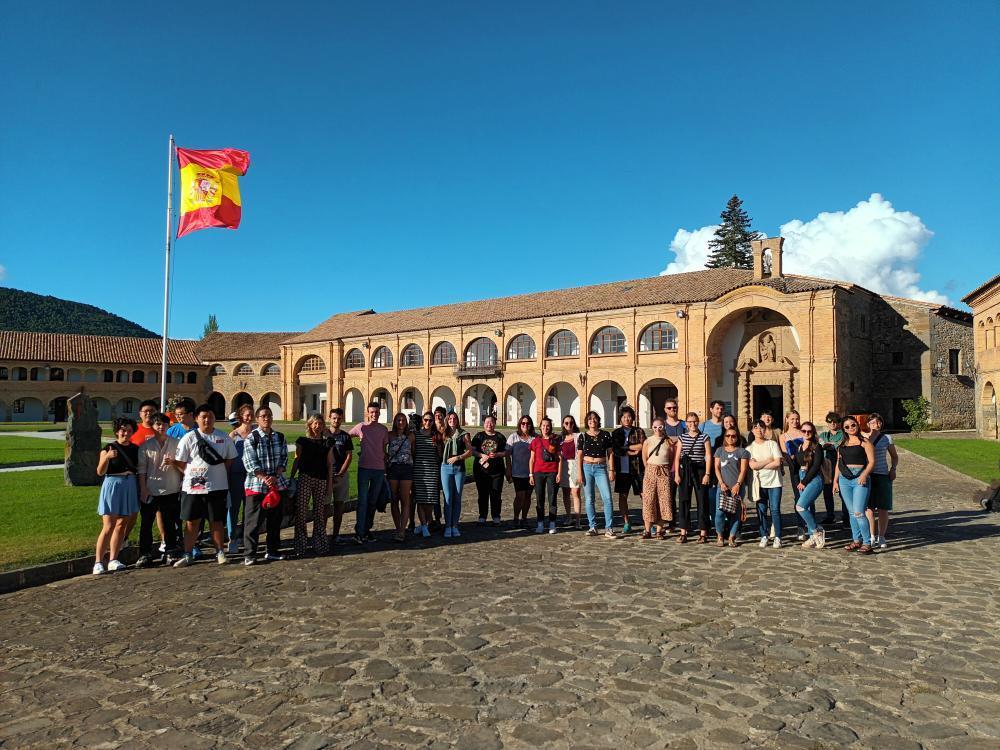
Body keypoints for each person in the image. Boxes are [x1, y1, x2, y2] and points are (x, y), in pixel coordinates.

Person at [173, 404, 237, 567]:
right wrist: (192, 473)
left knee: (216, 521)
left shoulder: (224, 437)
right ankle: (188, 553)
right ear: (196, 419)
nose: (207, 420)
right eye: (203, 417)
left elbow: (230, 460)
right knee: (192, 521)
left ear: (215, 418)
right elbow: (180, 462)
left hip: (217, 486)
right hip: (194, 487)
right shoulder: (189, 438)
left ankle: (220, 551)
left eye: (210, 416)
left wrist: (216, 473)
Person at [241, 406, 289, 564]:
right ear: (257, 419)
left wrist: (275, 476)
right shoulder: (251, 438)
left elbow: (283, 459)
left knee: (275, 521)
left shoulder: (280, 437)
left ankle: (273, 550)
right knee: (253, 522)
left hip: (276, 485)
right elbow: (249, 462)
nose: (266, 418)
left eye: (269, 415)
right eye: (263, 416)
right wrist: (264, 477)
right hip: (257, 486)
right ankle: (250, 553)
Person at [93, 418, 139, 574]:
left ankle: (113, 558)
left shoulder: (135, 449)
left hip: (129, 484)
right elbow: (100, 471)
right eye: (122, 430)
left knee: (122, 524)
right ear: (117, 431)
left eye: (129, 430)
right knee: (108, 524)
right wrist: (107, 457)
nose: (125, 433)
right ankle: (98, 561)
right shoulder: (108, 448)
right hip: (113, 484)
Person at [136, 412, 182, 567]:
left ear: (168, 426)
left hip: (171, 488)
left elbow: (185, 466)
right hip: (151, 489)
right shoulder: (146, 446)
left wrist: (174, 462)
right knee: (146, 523)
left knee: (170, 523)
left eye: (163, 424)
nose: (161, 427)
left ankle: (170, 551)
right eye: (157, 424)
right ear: (153, 427)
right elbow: (142, 470)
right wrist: (143, 489)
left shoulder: (176, 443)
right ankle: (145, 553)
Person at [290, 414, 334, 556]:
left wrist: (329, 484)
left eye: (320, 424)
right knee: (301, 512)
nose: (317, 426)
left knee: (319, 514)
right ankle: (300, 546)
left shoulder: (327, 443)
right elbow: (296, 460)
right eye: (315, 423)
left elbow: (329, 465)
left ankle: (319, 544)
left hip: (321, 480)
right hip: (305, 478)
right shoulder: (302, 441)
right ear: (310, 425)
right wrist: (291, 477)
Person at [834, 416, 876, 554]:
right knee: (852, 513)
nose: (851, 428)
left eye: (853, 425)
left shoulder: (865, 442)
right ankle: (856, 540)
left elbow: (871, 462)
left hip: (860, 479)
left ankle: (867, 542)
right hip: (844, 479)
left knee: (859, 512)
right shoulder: (842, 445)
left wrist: (864, 475)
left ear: (857, 425)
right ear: (844, 429)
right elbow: (838, 464)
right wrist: (835, 481)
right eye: (847, 426)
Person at [349, 403, 390, 543]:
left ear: (379, 413)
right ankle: (359, 532)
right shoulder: (361, 427)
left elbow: (384, 450)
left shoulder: (383, 430)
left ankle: (366, 530)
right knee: (362, 501)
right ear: (367, 413)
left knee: (372, 501)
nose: (374, 414)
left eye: (377, 412)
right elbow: (347, 437)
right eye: (372, 412)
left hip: (379, 469)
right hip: (364, 469)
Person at [576, 410, 617, 538]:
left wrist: (611, 470)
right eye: (590, 419)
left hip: (601, 468)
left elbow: (610, 453)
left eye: (594, 419)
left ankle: (609, 528)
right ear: (587, 422)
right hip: (587, 467)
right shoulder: (583, 436)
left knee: (607, 498)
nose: (592, 421)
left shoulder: (605, 435)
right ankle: (592, 526)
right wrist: (580, 473)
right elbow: (580, 455)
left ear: (598, 420)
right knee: (589, 499)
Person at [672, 412, 712, 543]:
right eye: (689, 422)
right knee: (684, 501)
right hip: (685, 471)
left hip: (700, 470)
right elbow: (677, 457)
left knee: (702, 500)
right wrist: (677, 474)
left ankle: (703, 532)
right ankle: (683, 531)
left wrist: (707, 474)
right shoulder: (682, 437)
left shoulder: (704, 437)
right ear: (686, 424)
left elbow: (708, 456)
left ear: (698, 422)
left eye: (695, 421)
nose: (692, 424)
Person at [864, 412, 898, 550]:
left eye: (878, 422)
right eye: (872, 422)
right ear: (868, 424)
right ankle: (872, 535)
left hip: (883, 474)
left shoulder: (886, 438)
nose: (875, 425)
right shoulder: (864, 438)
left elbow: (894, 456)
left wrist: (893, 469)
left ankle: (882, 536)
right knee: (869, 508)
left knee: (883, 508)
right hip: (868, 475)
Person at [747, 419, 783, 549]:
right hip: (759, 484)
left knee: (775, 509)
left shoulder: (772, 444)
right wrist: (768, 460)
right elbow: (752, 466)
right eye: (755, 427)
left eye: (761, 427)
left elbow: (778, 463)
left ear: (765, 429)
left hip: (774, 482)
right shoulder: (749, 448)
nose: (759, 430)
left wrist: (760, 464)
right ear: (752, 430)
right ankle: (763, 535)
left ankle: (778, 536)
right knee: (761, 510)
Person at [611, 406, 646, 534]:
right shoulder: (616, 433)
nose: (627, 419)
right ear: (620, 419)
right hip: (622, 470)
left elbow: (643, 446)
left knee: (644, 496)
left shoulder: (639, 431)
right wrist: (631, 451)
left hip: (638, 469)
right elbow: (616, 449)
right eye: (624, 417)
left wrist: (627, 447)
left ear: (633, 418)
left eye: (629, 417)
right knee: (623, 496)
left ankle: (648, 521)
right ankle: (626, 522)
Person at [793, 421, 827, 549]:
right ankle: (813, 535)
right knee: (806, 508)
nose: (806, 433)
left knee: (800, 507)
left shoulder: (816, 447)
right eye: (804, 431)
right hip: (802, 478)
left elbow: (816, 466)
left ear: (813, 433)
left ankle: (817, 530)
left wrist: (804, 482)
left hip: (814, 479)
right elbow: (796, 466)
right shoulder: (799, 447)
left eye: (809, 431)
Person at [226, 404, 254, 554]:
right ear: (241, 416)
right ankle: (232, 539)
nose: (249, 417)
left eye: (251, 414)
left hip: (252, 476)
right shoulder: (233, 435)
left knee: (249, 509)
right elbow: (228, 459)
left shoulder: (256, 432)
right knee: (233, 508)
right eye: (246, 415)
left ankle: (245, 536)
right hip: (236, 476)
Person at [713, 428, 749, 547]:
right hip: (722, 487)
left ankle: (731, 537)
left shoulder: (742, 452)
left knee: (736, 513)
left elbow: (743, 470)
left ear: (737, 437)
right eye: (727, 436)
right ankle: (720, 536)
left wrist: (738, 484)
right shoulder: (719, 451)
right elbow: (717, 468)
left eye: (733, 436)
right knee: (719, 513)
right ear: (724, 437)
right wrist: (721, 483)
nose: (730, 438)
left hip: (737, 487)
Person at [640, 418, 674, 539]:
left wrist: (664, 469)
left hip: (663, 471)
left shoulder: (668, 441)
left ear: (663, 427)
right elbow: (644, 457)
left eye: (660, 427)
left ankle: (659, 530)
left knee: (663, 500)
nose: (657, 429)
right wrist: (649, 469)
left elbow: (671, 458)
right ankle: (647, 530)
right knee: (649, 500)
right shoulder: (648, 441)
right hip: (650, 471)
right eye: (655, 427)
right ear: (652, 428)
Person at [471, 414, 508, 525]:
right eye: (487, 422)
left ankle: (496, 516)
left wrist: (497, 455)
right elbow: (472, 451)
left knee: (496, 493)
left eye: (491, 422)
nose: (489, 424)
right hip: (481, 471)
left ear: (494, 424)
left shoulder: (500, 437)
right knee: (482, 494)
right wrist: (481, 455)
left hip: (497, 471)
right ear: (484, 424)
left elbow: (506, 452)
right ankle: (482, 515)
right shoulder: (478, 436)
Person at [441, 411, 472, 538]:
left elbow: (470, 451)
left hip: (459, 468)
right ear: (447, 420)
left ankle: (455, 525)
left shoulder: (464, 434)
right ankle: (447, 526)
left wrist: (458, 457)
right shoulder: (444, 433)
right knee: (448, 498)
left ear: (457, 420)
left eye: (454, 418)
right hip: (445, 468)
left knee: (457, 497)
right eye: (450, 418)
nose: (452, 420)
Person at [386, 412, 415, 542]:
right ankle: (398, 528)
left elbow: (414, 452)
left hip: (406, 468)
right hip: (393, 468)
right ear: (395, 422)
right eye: (398, 420)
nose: (401, 422)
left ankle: (402, 530)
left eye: (403, 420)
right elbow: (382, 449)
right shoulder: (389, 435)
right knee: (394, 499)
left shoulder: (410, 436)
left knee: (405, 499)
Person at [412, 411, 443, 537]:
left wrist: (438, 446)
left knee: (430, 500)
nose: (428, 422)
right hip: (419, 470)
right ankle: (424, 526)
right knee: (420, 499)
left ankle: (425, 523)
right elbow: (413, 452)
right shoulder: (416, 435)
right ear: (422, 421)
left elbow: (440, 455)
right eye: (425, 420)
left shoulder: (436, 435)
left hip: (432, 470)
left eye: (430, 420)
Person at [530, 417, 562, 534]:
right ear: (540, 427)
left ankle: (552, 523)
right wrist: (530, 474)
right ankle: (540, 523)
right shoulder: (535, 441)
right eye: (543, 425)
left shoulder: (555, 440)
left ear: (550, 427)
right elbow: (532, 459)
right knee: (540, 498)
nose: (545, 428)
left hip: (552, 472)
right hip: (538, 472)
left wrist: (559, 473)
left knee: (552, 498)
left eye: (547, 425)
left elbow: (559, 458)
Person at [326, 408, 354, 542]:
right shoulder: (324, 434)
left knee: (339, 506)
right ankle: (321, 534)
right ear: (329, 418)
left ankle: (335, 534)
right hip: (326, 475)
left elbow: (349, 456)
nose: (336, 421)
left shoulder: (345, 436)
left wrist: (341, 474)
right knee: (324, 506)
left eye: (339, 418)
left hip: (341, 474)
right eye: (334, 418)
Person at [780, 410, 807, 540]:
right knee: (798, 496)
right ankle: (800, 526)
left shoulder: (804, 433)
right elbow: (785, 454)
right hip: (794, 469)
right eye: (792, 419)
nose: (795, 421)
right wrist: (792, 460)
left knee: (808, 496)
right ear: (787, 420)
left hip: (807, 468)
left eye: (797, 418)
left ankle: (809, 525)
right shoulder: (783, 436)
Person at [818, 412, 848, 526]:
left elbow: (841, 445)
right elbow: (820, 444)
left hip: (840, 466)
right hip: (826, 467)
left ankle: (846, 517)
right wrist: (832, 444)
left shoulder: (843, 434)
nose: (832, 424)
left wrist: (831, 445)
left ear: (839, 423)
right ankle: (830, 516)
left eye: (835, 421)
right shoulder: (824, 434)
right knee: (827, 493)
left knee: (843, 493)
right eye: (830, 422)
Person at [506, 416, 535, 528]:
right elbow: (507, 454)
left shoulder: (534, 438)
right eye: (523, 423)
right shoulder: (513, 437)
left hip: (531, 473)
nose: (525, 425)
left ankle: (524, 518)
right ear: (519, 424)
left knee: (528, 496)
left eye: (528, 423)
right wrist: (508, 469)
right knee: (520, 495)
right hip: (517, 472)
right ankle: (516, 517)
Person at [559, 415, 582, 527]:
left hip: (575, 465)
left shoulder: (578, 436)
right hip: (564, 466)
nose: (569, 425)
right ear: (563, 424)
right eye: (566, 423)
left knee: (575, 492)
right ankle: (568, 516)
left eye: (571, 423)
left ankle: (577, 519)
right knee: (565, 493)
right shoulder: (561, 438)